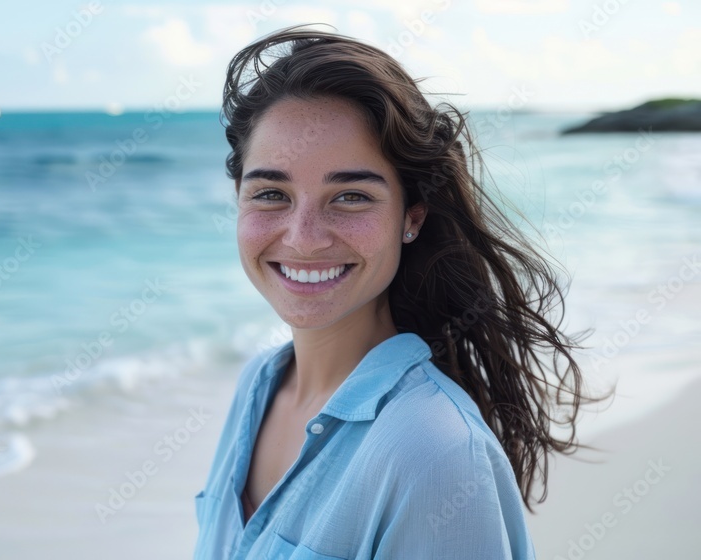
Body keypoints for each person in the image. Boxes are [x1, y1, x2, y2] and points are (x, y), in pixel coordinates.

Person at [193, 25, 600, 559]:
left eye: (352, 197)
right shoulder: (258, 387)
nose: (303, 238)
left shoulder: (435, 452)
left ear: (411, 217)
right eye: (271, 193)